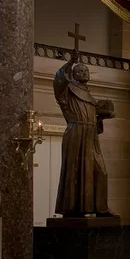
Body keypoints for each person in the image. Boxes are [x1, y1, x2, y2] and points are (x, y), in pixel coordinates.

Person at [53, 59, 115, 217]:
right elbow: (58, 81)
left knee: (100, 171)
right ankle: (72, 209)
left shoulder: (88, 94)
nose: (84, 73)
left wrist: (102, 117)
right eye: (80, 71)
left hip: (90, 135)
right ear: (73, 74)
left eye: (86, 71)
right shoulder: (68, 90)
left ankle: (101, 207)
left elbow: (92, 116)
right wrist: (69, 63)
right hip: (76, 133)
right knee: (75, 171)